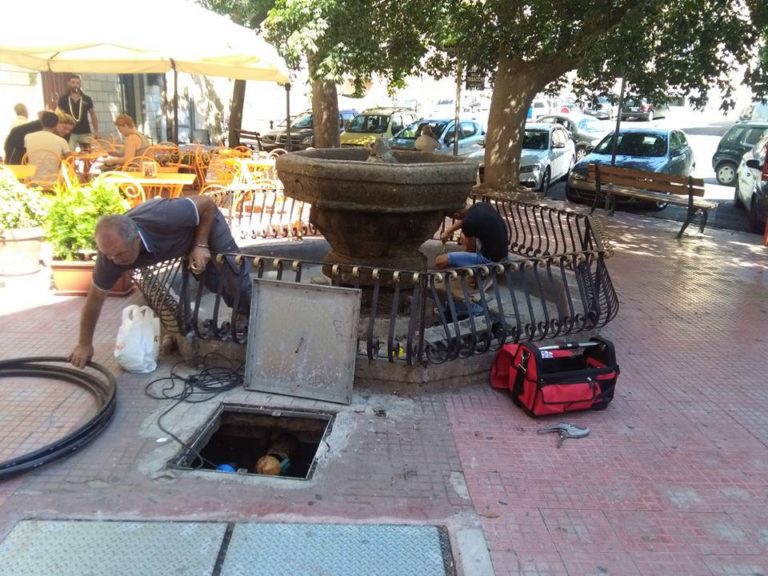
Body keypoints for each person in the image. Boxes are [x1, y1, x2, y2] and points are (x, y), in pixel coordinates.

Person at [68, 195, 251, 368]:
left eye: (119, 254)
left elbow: (207, 204)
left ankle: (253, 315)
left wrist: (200, 244)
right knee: (211, 279)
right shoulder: (111, 256)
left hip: (206, 225)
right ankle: (243, 311)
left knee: (234, 275)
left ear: (136, 240)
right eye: (108, 255)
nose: (114, 260)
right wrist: (84, 345)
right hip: (182, 240)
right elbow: (94, 300)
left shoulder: (163, 216)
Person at [435, 203, 509, 269]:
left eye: (452, 217)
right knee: (464, 235)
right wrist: (448, 232)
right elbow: (464, 221)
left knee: (440, 261)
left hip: (490, 261)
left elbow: (470, 250)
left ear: (456, 215)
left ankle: (471, 274)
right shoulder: (480, 206)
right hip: (503, 255)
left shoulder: (468, 223)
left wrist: (461, 258)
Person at [24, 111, 71, 185]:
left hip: (31, 180)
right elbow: (69, 160)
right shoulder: (62, 141)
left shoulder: (28, 137)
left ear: (42, 122)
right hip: (53, 182)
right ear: (56, 124)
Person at [57, 74, 99, 151]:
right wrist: (60, 131)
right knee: (69, 154)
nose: (75, 85)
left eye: (77, 83)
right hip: (69, 133)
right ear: (69, 83)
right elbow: (60, 116)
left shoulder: (87, 99)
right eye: (73, 82)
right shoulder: (63, 99)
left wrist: (96, 131)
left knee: (87, 155)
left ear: (80, 84)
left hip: (85, 132)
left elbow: (93, 115)